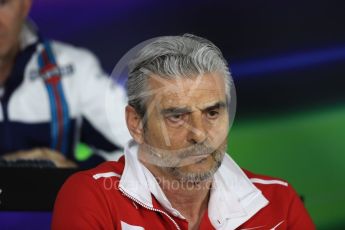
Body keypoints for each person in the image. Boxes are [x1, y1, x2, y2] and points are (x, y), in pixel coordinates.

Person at [52, 34, 315, 229]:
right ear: (136, 124)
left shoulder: (279, 201)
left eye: (212, 113)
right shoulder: (92, 197)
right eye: (177, 117)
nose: (200, 134)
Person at [0, 0, 130, 167]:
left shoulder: (75, 68)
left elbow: (153, 152)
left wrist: (76, 174)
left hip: (58, 192)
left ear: (24, 5)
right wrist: (15, 167)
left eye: (2, 3)